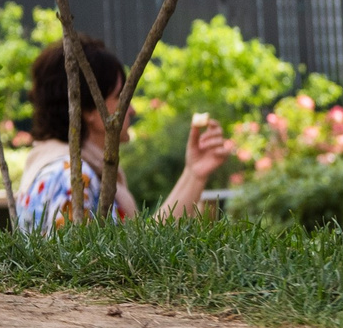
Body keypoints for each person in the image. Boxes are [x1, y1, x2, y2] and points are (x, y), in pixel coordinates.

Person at [15, 34, 233, 231]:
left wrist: (194, 173)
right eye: (120, 97)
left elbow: (141, 249)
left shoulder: (71, 170)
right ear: (89, 109)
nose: (132, 109)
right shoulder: (71, 177)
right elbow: (82, 272)